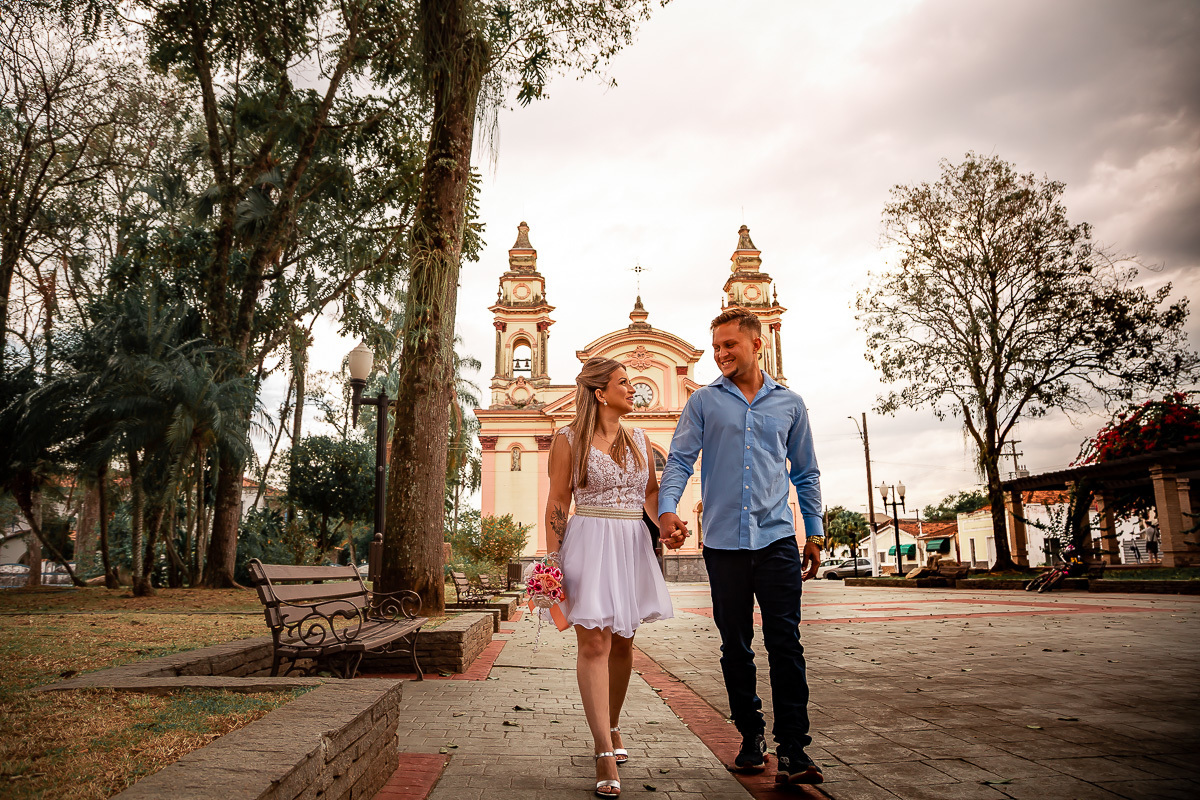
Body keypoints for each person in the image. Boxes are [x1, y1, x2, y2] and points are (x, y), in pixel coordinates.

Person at [658, 306, 826, 786]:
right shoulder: (703, 403)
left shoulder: (790, 404)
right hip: (724, 544)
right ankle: (751, 737)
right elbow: (679, 461)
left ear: (756, 343)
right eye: (716, 347)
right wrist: (668, 510)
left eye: (729, 345)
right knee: (735, 645)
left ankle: (793, 749)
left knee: (786, 643)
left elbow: (806, 472)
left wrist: (814, 532)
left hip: (777, 540)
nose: (720, 354)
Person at [545, 356, 674, 798]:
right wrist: (552, 561)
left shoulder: (640, 438)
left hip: (631, 544)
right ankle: (603, 748)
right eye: (624, 382)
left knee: (622, 642)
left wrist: (666, 523)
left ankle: (613, 723)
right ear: (600, 394)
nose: (632, 389)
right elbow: (558, 501)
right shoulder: (567, 440)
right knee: (594, 644)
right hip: (588, 542)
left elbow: (651, 493)